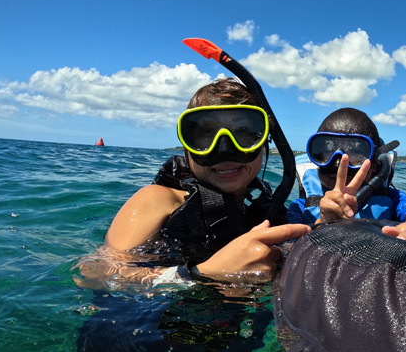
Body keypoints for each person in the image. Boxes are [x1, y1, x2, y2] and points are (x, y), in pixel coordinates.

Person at [77, 77, 310, 288]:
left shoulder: (262, 212)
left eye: (244, 133)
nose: (225, 149)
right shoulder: (158, 199)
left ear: (265, 142)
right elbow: (95, 273)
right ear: (186, 143)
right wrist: (199, 274)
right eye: (205, 135)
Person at [287, 107, 406, 251]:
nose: (338, 164)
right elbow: (291, 247)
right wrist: (323, 222)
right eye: (327, 153)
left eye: (355, 154)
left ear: (375, 165)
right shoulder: (300, 207)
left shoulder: (391, 198)